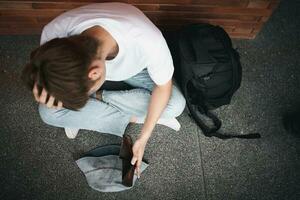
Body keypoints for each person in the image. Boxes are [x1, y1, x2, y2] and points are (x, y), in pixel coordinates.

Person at [21, 2, 186, 178]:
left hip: (136, 69)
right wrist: (45, 84)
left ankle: (95, 106)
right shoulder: (54, 34)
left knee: (175, 105)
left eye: (86, 95)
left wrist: (144, 137)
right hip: (94, 71)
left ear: (95, 73)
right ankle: (142, 116)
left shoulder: (148, 42)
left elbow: (163, 86)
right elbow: (41, 66)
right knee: (48, 112)